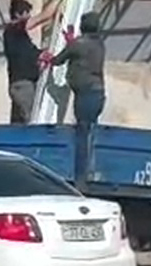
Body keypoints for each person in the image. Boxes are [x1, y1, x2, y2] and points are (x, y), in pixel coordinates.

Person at [40, 11, 107, 179]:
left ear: (83, 26)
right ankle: (89, 169)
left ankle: (80, 174)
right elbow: (79, 52)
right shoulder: (99, 44)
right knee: (90, 131)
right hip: (98, 93)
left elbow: (58, 60)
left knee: (82, 132)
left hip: (85, 94)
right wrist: (71, 41)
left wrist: (48, 58)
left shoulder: (78, 44)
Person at [2, 0, 58, 124]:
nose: (29, 16)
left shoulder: (20, 39)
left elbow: (30, 53)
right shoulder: (14, 29)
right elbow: (45, 16)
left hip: (22, 85)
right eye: (27, 13)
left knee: (18, 125)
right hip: (23, 86)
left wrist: (42, 56)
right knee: (31, 122)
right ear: (18, 14)